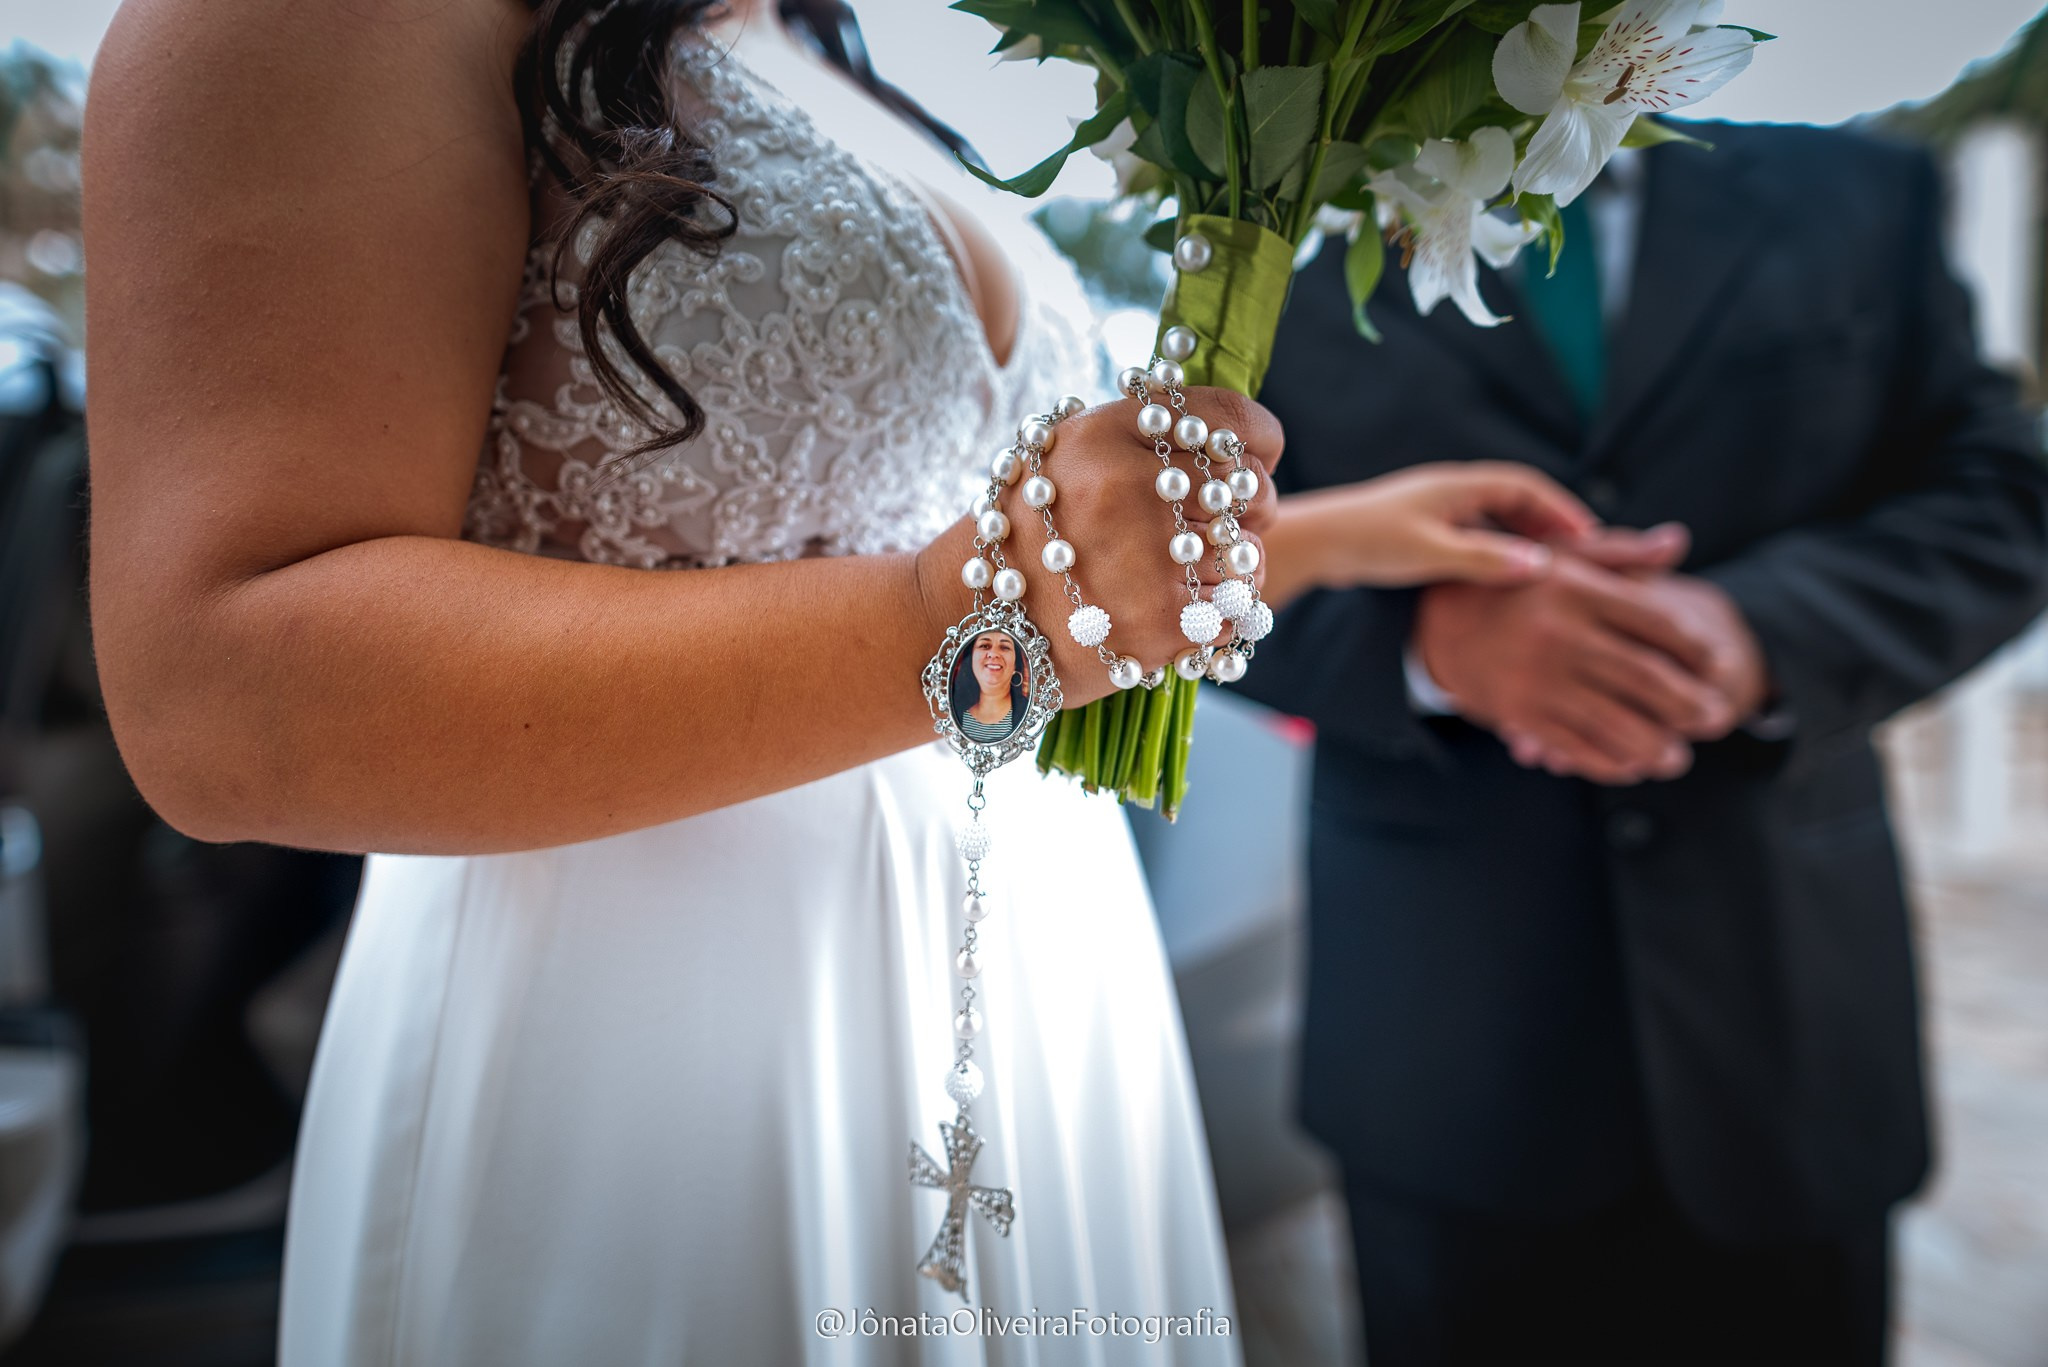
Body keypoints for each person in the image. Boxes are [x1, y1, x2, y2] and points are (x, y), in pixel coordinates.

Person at [81, 0, 1619, 1361]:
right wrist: (963, 611)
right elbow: (223, 693)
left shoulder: (806, 46)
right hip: (652, 1063)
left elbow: (948, 534)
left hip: (1038, 1000)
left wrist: (1333, 543)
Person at [1241, 126, 2048, 1364]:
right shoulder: (1268, 222)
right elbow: (1175, 568)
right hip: (1444, 1050)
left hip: (1784, 1029)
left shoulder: (1860, 193)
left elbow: (2003, 494)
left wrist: (1759, 629)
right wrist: (1431, 647)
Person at [953, 630, 1023, 744]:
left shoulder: (1027, 714)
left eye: (1005, 647)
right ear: (970, 659)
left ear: (1016, 663)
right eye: (984, 646)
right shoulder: (955, 713)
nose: (994, 653)